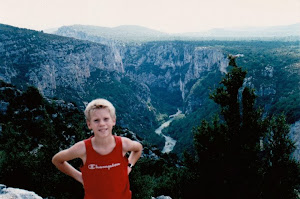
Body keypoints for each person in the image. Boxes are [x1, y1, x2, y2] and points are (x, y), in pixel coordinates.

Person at [52, 98, 143, 199]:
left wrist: (129, 166)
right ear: (89, 124)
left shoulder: (123, 144)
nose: (102, 124)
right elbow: (57, 160)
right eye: (96, 120)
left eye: (106, 119)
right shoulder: (83, 148)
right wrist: (80, 177)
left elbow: (138, 149)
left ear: (113, 121)